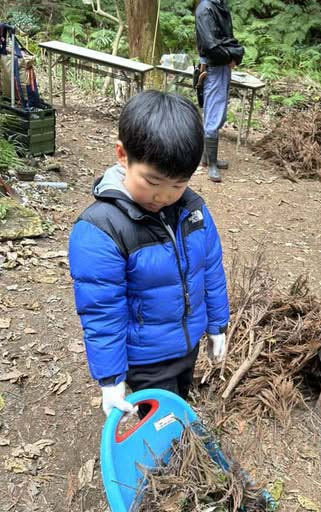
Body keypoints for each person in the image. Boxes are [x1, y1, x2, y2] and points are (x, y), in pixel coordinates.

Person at [69, 91, 229, 417]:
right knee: (160, 421)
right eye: (153, 181)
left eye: (178, 184)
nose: (163, 196)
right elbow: (102, 312)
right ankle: (164, 449)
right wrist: (111, 379)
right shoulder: (101, 230)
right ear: (122, 155)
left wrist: (217, 325)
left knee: (179, 400)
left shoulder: (193, 211)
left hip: (187, 343)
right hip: (146, 357)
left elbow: (211, 270)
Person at [195, 0, 244, 183]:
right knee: (213, 116)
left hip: (221, 66)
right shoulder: (206, 9)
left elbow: (226, 38)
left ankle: (207, 158)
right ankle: (211, 165)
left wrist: (234, 54)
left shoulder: (219, 6)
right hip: (214, 67)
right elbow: (210, 45)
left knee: (218, 114)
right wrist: (230, 56)